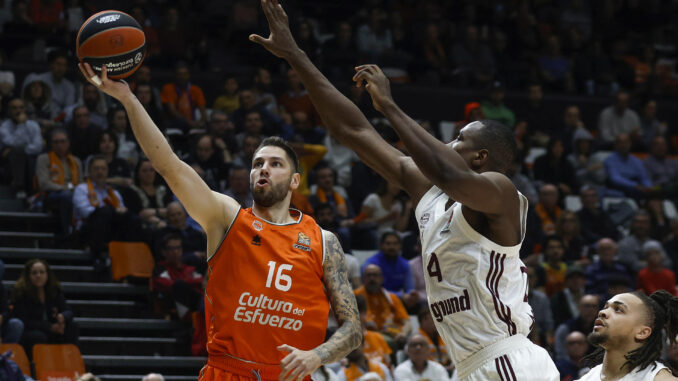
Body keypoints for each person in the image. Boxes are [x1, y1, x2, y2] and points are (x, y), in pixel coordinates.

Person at [249, 1, 558, 379]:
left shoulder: (501, 192)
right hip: (469, 364)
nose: (449, 142)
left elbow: (452, 176)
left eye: (459, 139)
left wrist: (390, 107)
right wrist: (295, 56)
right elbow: (354, 131)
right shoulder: (429, 187)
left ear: (480, 157)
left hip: (507, 358)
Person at [79, 59, 361, 380]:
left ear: (296, 180)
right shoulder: (227, 218)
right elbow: (169, 165)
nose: (263, 169)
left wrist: (316, 355)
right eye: (257, 163)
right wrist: (128, 99)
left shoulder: (324, 241)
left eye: (275, 163)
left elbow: (353, 328)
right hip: (229, 371)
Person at [577, 290, 678, 380]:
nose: (602, 312)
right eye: (605, 307)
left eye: (618, 309)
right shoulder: (588, 377)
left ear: (642, 332)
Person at [10, 259, 78, 354]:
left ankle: (70, 360)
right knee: (39, 336)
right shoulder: (21, 293)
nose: (38, 276)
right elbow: (23, 320)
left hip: (52, 328)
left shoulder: (54, 290)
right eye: (34, 273)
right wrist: (49, 327)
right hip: (31, 331)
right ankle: (35, 365)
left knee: (71, 327)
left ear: (47, 274)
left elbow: (68, 311)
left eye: (42, 272)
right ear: (28, 276)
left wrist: (62, 317)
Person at [354, 264, 411, 347]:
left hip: (392, 334)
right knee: (387, 342)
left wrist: (403, 334)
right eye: (369, 275)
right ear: (363, 279)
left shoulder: (391, 298)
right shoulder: (355, 296)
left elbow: (407, 322)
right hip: (365, 335)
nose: (372, 278)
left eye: (375, 275)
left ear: (382, 279)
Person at [152, 233, 204, 320]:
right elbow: (165, 285)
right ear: (164, 252)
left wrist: (183, 282)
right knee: (179, 286)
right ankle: (187, 319)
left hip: (192, 301)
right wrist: (186, 282)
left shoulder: (189, 268)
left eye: (178, 248)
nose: (175, 251)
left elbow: (201, 283)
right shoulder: (160, 268)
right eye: (171, 248)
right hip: (170, 302)